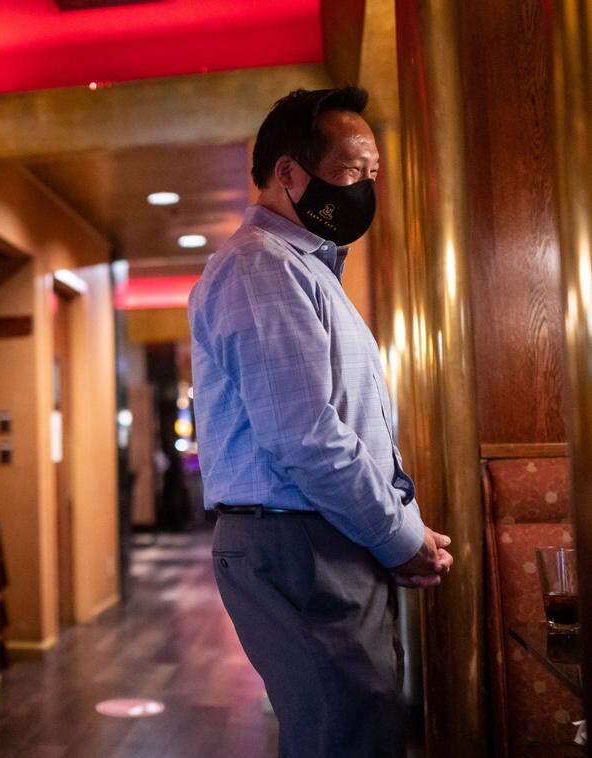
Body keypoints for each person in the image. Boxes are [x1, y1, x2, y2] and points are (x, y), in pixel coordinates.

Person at [187, 86, 453, 757]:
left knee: (358, 725)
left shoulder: (308, 269)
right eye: (350, 171)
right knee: (348, 734)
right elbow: (306, 438)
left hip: (320, 534)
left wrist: (400, 523)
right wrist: (400, 537)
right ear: (288, 172)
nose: (364, 189)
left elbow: (349, 427)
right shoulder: (261, 266)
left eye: (372, 175)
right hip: (297, 541)